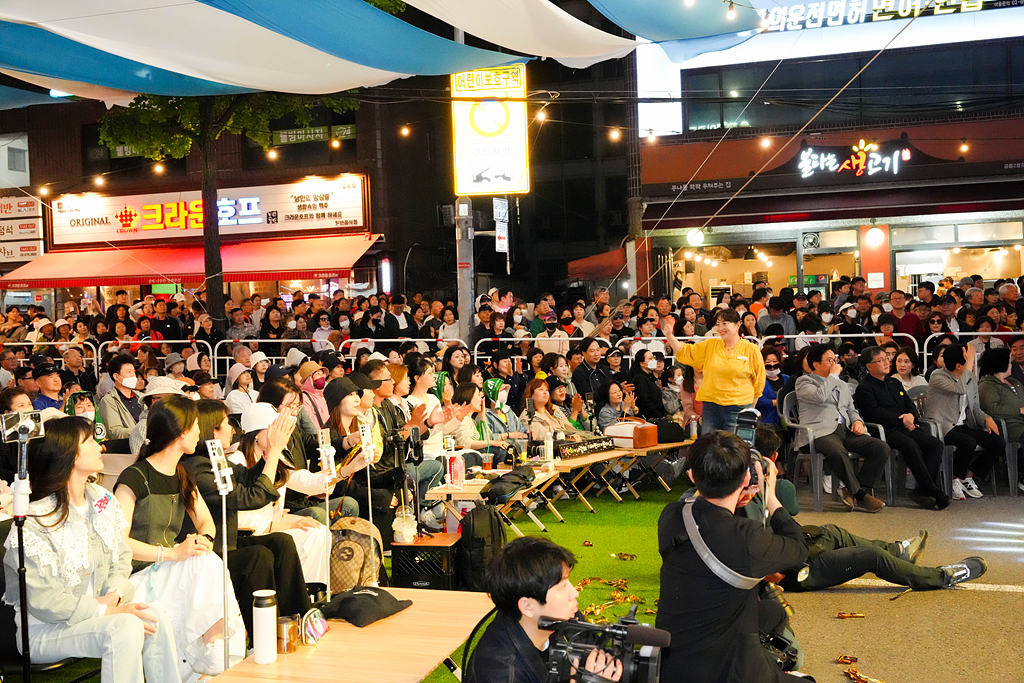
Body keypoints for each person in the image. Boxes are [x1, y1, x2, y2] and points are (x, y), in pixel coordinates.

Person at [3, 416, 182, 683]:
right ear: (69, 455)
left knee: (153, 615)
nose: (101, 447)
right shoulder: (33, 522)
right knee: (125, 625)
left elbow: (122, 556)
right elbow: (45, 603)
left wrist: (117, 593)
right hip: (45, 631)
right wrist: (103, 609)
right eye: (90, 441)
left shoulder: (101, 499)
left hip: (94, 615)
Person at [656, 431, 808, 683]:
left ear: (692, 475)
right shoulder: (746, 537)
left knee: (774, 612)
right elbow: (798, 548)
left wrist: (736, 502)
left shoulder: (671, 516)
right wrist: (770, 496)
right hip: (730, 671)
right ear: (747, 477)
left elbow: (710, 526)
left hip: (675, 665)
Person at [113, 396, 245, 678]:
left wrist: (203, 540)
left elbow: (206, 521)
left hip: (168, 568)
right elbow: (119, 542)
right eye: (196, 425)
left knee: (205, 558)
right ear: (181, 432)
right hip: (138, 576)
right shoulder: (134, 477)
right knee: (205, 563)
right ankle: (215, 652)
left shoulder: (182, 474)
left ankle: (213, 650)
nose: (200, 431)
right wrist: (172, 553)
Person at [183, 399, 311, 637]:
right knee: (257, 556)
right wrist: (272, 453)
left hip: (228, 544)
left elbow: (249, 478)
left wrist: (269, 453)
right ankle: (265, 637)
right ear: (212, 429)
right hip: (209, 554)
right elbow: (249, 498)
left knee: (281, 542)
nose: (233, 428)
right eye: (226, 423)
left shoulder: (215, 460)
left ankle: (298, 622)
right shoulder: (196, 469)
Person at [464, 536, 621, 683]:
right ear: (528, 606)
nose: (574, 593)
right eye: (562, 586)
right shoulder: (502, 673)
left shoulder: (556, 618)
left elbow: (597, 647)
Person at [795, 344, 889, 512]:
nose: (834, 363)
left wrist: (857, 421)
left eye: (835, 360)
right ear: (816, 364)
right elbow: (820, 397)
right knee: (837, 450)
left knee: (880, 447)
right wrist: (832, 375)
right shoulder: (804, 382)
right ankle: (861, 496)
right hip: (818, 432)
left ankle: (853, 489)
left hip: (844, 430)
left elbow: (851, 409)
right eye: (830, 360)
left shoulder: (841, 385)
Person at [854, 346, 949, 509]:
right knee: (910, 445)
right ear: (869, 366)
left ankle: (922, 490)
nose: (886, 362)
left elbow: (909, 405)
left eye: (886, 359)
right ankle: (933, 490)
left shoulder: (894, 382)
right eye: (880, 360)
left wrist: (911, 416)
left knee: (935, 444)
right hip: (884, 431)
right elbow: (874, 413)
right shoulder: (864, 387)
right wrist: (901, 420)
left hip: (905, 427)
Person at [926, 343, 1004, 501]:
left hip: (963, 425)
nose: (973, 364)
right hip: (943, 427)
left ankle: (968, 476)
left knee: (997, 441)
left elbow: (975, 408)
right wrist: (968, 367)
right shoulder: (937, 376)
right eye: (969, 361)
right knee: (967, 442)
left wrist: (987, 418)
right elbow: (959, 388)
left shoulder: (970, 378)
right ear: (958, 365)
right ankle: (955, 479)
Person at [669, 309, 766, 434]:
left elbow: (759, 380)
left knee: (735, 447)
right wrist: (669, 335)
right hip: (711, 406)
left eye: (725, 323)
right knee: (710, 445)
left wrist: (751, 407)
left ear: (737, 325)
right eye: (718, 324)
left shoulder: (751, 349)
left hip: (739, 406)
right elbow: (685, 351)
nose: (720, 328)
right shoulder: (710, 344)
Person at [976, 346, 1024, 492]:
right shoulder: (987, 385)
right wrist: (1019, 410)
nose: (1012, 364)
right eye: (1009, 361)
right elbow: (991, 409)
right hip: (1008, 426)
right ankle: (1021, 475)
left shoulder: (1014, 382)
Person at [98, 355, 143, 440]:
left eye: (134, 372)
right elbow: (114, 431)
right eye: (129, 372)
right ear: (116, 376)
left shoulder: (142, 397)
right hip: (126, 447)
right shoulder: (108, 401)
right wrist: (142, 432)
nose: (133, 376)